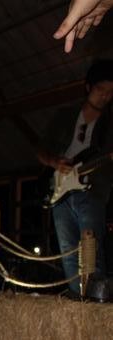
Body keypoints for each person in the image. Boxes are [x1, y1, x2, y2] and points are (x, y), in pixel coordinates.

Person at [37, 59, 113, 295]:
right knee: (68, 252)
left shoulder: (110, 124)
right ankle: (77, 301)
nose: (105, 96)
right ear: (88, 87)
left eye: (110, 92)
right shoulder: (65, 116)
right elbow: (40, 150)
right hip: (60, 191)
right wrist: (54, 162)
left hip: (93, 191)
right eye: (100, 89)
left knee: (91, 252)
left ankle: (94, 303)